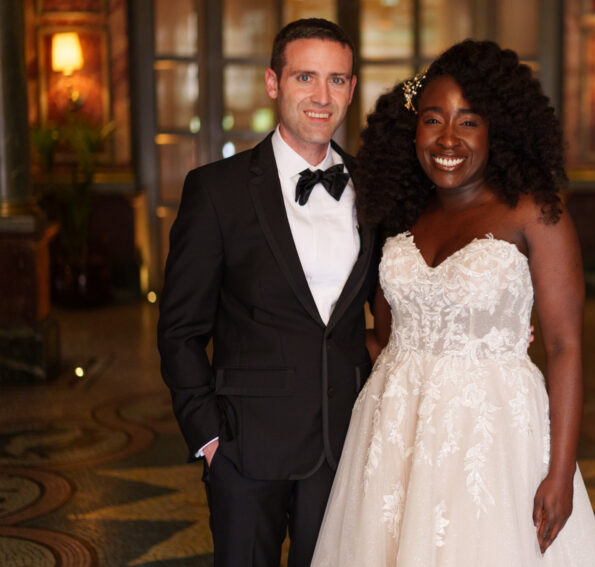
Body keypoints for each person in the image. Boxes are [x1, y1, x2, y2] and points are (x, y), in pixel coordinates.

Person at [311, 40, 595, 566]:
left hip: (491, 439)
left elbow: (564, 345)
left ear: (498, 130)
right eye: (433, 119)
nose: (448, 138)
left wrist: (560, 472)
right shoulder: (401, 214)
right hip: (396, 435)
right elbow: (387, 338)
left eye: (468, 122)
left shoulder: (535, 215)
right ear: (413, 130)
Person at [157, 18, 380, 567]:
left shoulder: (377, 189)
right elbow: (180, 330)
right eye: (306, 77)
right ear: (273, 83)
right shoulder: (216, 190)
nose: (322, 97)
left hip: (345, 445)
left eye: (337, 80)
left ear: (352, 89)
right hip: (244, 449)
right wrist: (209, 439)